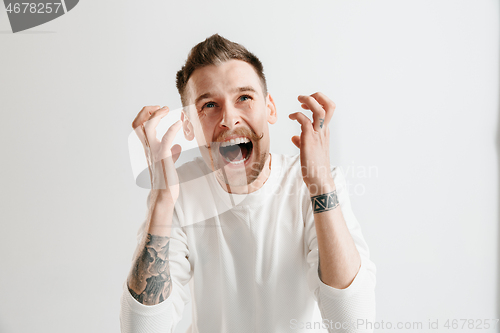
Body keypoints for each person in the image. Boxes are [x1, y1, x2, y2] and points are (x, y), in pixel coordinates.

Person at [120, 34, 376, 333]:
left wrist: (320, 185)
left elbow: (352, 326)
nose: (229, 118)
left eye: (244, 97)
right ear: (189, 126)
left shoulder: (313, 183)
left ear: (270, 109)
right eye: (210, 105)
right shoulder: (180, 193)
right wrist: (161, 201)